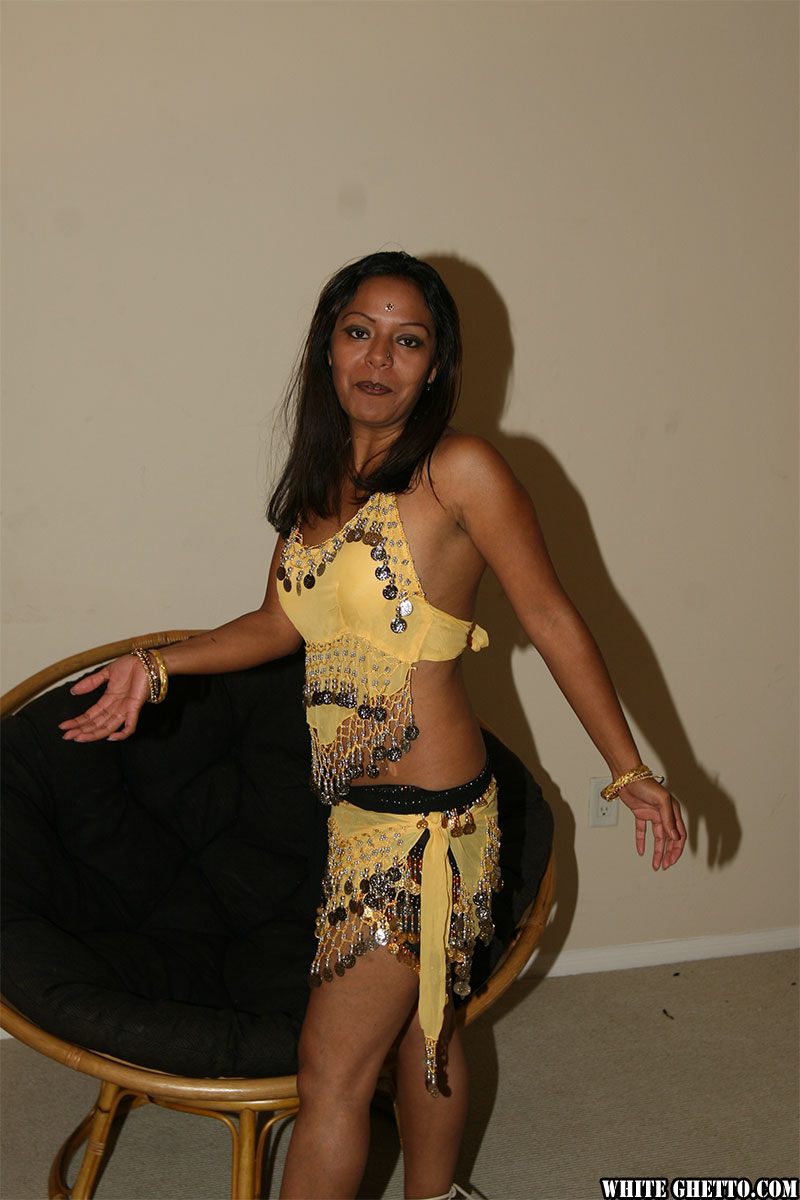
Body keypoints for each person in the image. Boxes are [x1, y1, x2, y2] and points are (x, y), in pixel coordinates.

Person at [59, 250, 686, 1200]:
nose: (379, 358)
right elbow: (275, 624)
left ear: (436, 366)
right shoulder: (319, 486)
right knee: (423, 1026)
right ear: (328, 348)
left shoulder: (459, 471)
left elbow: (552, 617)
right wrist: (155, 665)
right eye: (360, 332)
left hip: (427, 824)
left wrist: (625, 768)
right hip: (362, 815)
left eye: (408, 340)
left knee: (331, 1075)